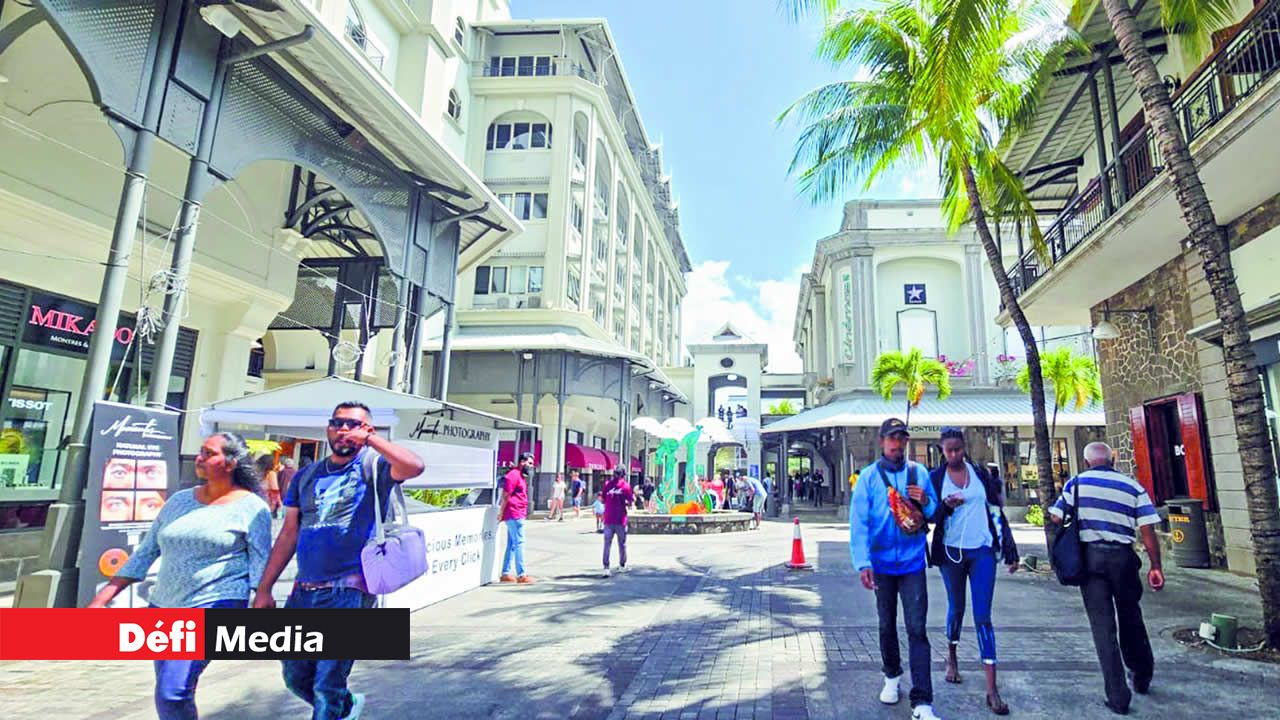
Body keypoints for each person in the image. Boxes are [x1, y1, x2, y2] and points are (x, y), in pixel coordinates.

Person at [254, 401, 425, 720]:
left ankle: (334, 708)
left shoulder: (375, 467)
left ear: (368, 429)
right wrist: (265, 588)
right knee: (296, 678)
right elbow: (289, 533)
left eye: (353, 424)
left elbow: (414, 466)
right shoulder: (305, 476)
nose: (344, 429)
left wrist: (371, 440)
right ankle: (347, 707)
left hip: (350, 593)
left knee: (327, 683)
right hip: (303, 593)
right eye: (337, 423)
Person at [90, 432, 271, 720]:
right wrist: (106, 595)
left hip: (217, 602)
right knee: (171, 689)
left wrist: (261, 597)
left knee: (172, 691)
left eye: (209, 453)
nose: (199, 458)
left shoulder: (252, 508)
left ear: (231, 462)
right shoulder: (179, 501)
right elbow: (147, 551)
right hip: (164, 604)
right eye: (200, 451)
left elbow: (261, 560)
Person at [1050, 441, 1164, 716]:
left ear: (1088, 461)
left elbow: (1055, 517)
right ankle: (1141, 673)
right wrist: (1155, 566)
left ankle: (1117, 696)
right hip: (1123, 558)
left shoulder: (1075, 484)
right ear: (1112, 459)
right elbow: (1147, 530)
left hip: (1091, 561)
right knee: (1131, 617)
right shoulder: (1132, 486)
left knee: (1103, 627)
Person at [850, 418, 942, 720]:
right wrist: (863, 562)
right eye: (892, 438)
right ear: (882, 442)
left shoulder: (919, 473)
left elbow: (933, 513)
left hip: (913, 561)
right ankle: (891, 675)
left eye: (902, 438)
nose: (897, 444)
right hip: (881, 565)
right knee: (886, 624)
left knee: (917, 628)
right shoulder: (867, 478)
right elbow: (859, 523)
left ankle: (922, 700)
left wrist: (925, 500)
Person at [928, 428, 1019, 715]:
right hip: (951, 552)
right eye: (948, 450)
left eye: (957, 449)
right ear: (942, 450)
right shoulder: (936, 478)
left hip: (982, 550)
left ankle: (992, 690)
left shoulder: (980, 474)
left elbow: (996, 511)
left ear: (964, 447)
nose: (954, 455)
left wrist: (1010, 549)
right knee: (956, 608)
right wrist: (945, 505)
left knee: (983, 616)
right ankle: (952, 656)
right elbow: (929, 516)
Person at [496, 452, 536, 583]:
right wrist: (501, 512)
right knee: (519, 542)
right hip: (514, 513)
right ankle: (521, 574)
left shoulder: (520, 476)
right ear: (522, 462)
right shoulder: (513, 475)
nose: (531, 466)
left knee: (512, 544)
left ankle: (505, 573)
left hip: (517, 513)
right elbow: (506, 495)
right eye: (529, 463)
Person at [601, 467, 635, 577]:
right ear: (624, 474)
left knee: (607, 544)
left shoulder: (607, 484)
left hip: (608, 518)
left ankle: (606, 568)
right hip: (621, 518)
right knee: (622, 544)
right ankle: (622, 565)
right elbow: (630, 502)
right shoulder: (626, 486)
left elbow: (603, 499)